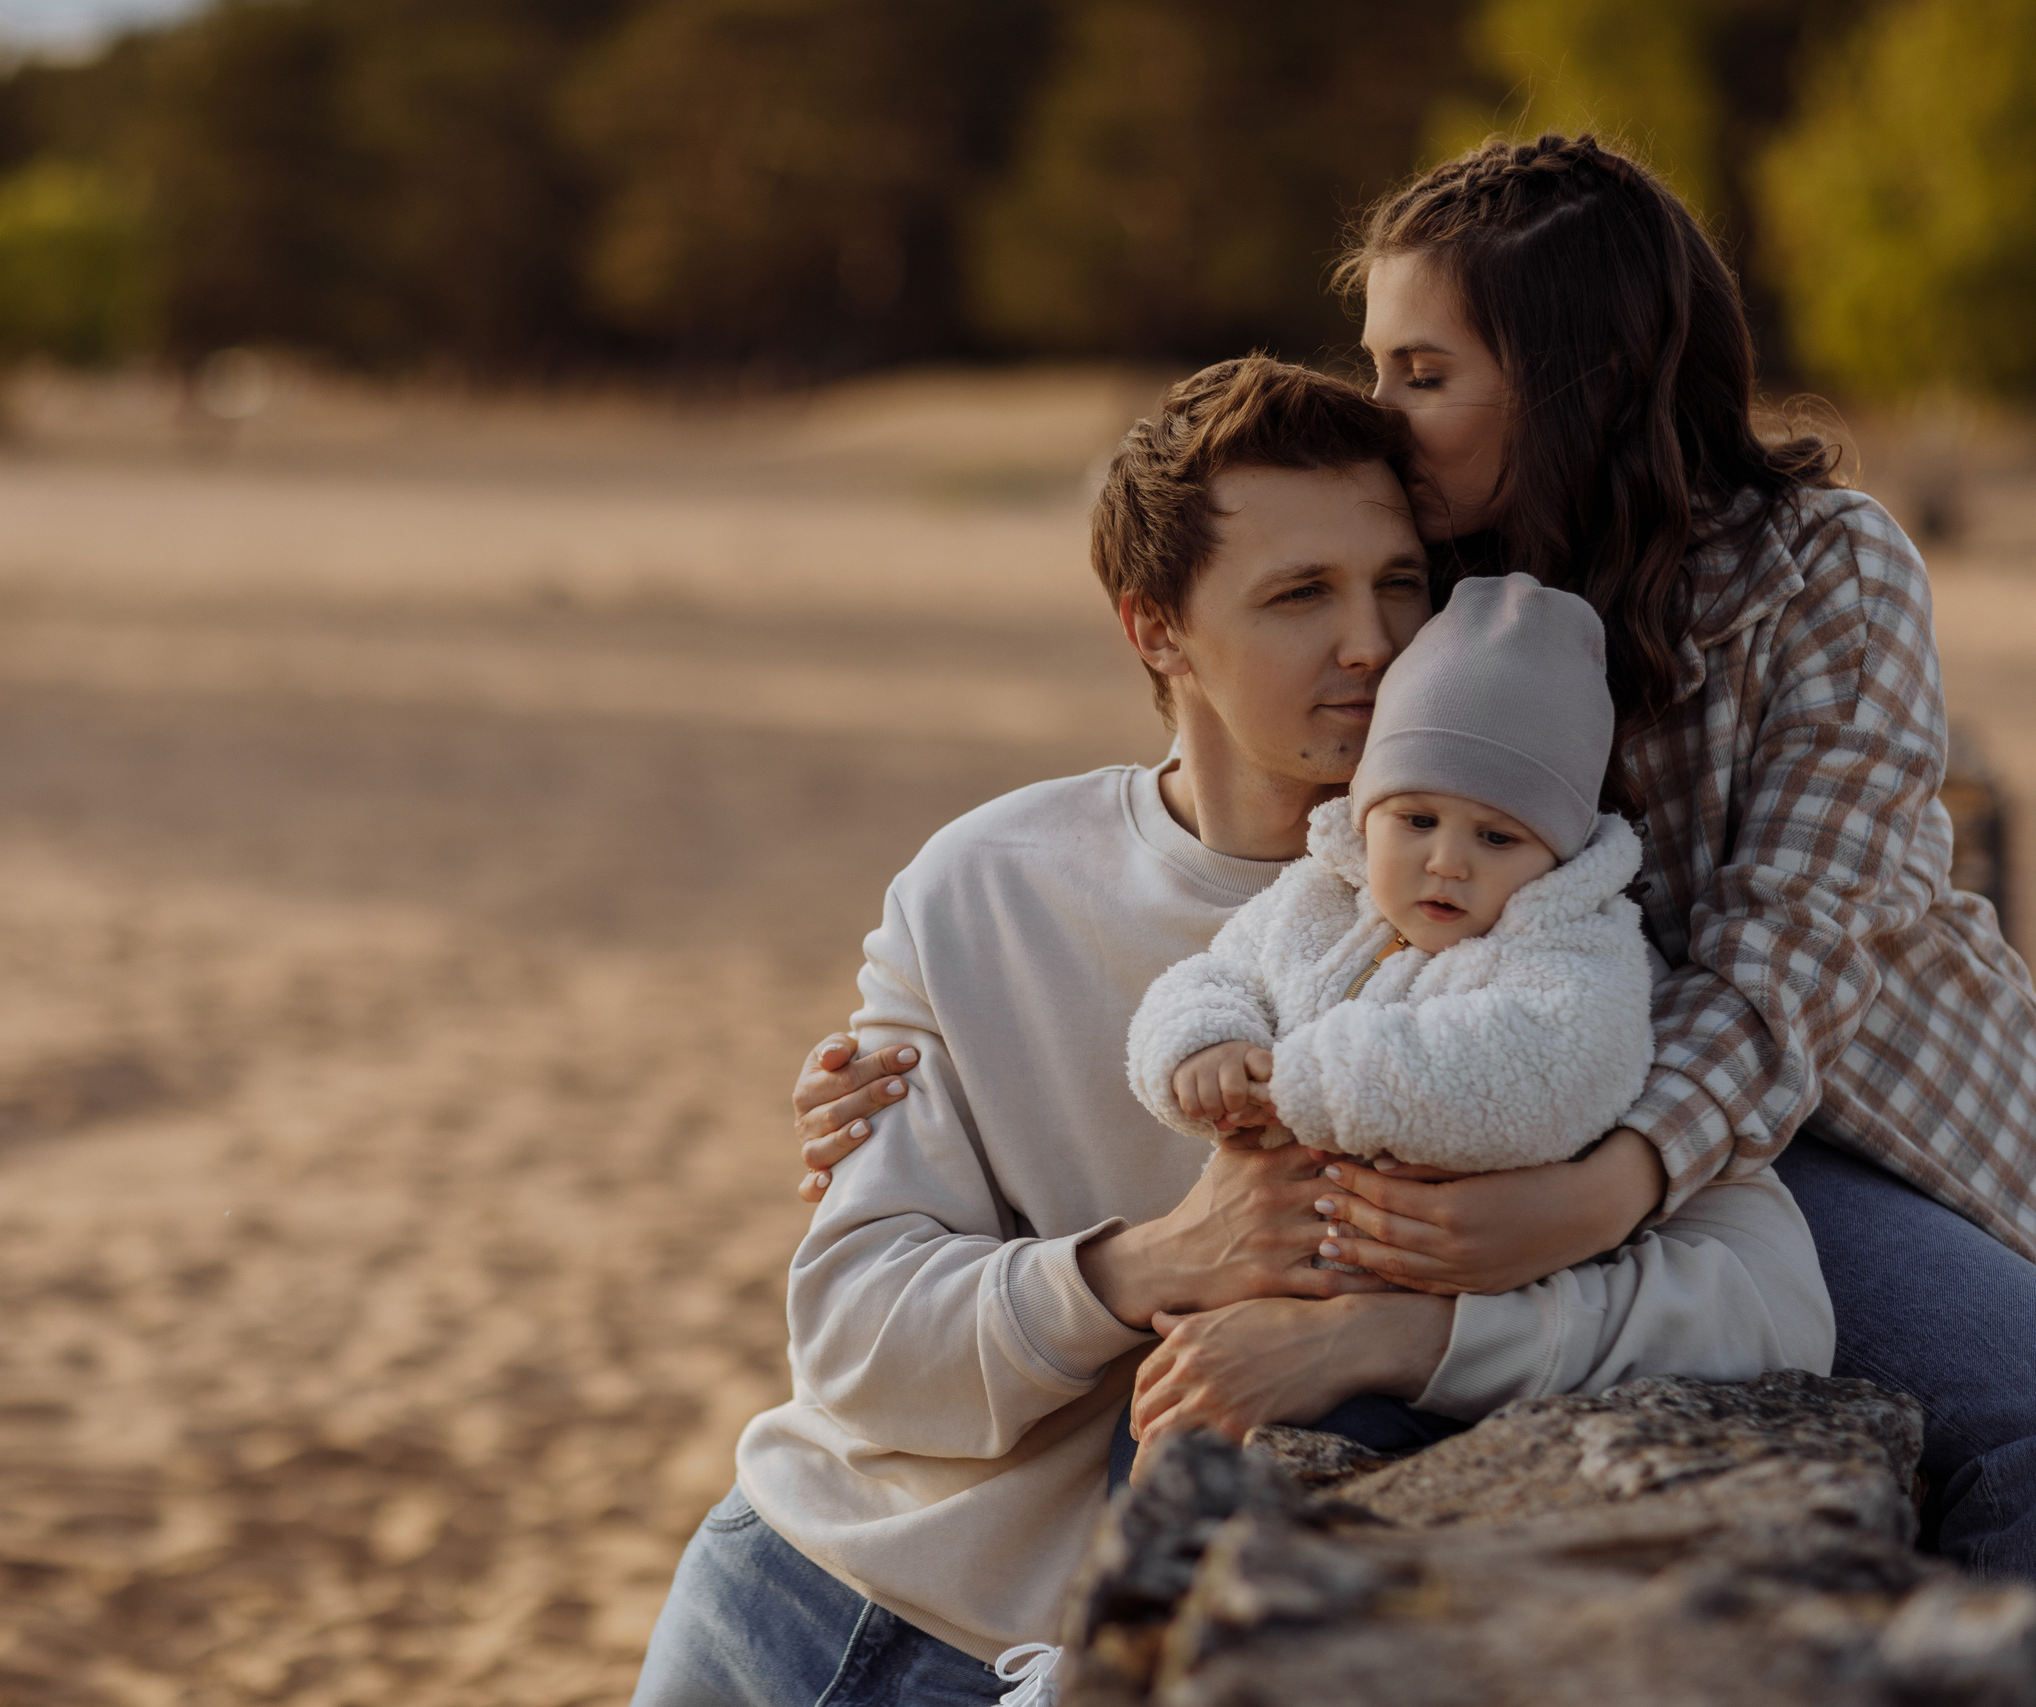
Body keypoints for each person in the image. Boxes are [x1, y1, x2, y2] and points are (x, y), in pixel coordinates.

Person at [797, 134, 2036, 1577]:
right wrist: (909, 1065)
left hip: (1832, 1107)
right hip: (1550, 1070)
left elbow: (1791, 959)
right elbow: (1259, 769)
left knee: (2017, 1420)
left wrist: (1602, 1188)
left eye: (1422, 374)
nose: (1380, 411)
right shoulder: (1440, 579)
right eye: (1376, 365)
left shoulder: (1822, 568)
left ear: (1580, 376)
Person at [629, 357, 1831, 1707]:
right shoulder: (980, 883)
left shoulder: (1528, 918)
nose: (1370, 642)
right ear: (1156, 631)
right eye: (1299, 594)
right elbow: (853, 1343)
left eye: (1397, 584)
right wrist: (1151, 1262)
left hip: (1107, 1660)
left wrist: (1404, 1334)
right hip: (788, 1590)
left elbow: (1766, 1300)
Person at [1134, 572, 1658, 1178]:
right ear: (1366, 812)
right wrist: (1207, 1047)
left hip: (1452, 1234)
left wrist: (1308, 1083)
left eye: (1497, 837)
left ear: (1559, 853)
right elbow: (1214, 976)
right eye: (1418, 820)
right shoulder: (1316, 899)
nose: (1446, 862)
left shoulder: (1575, 952)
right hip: (1278, 1226)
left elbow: (1545, 1068)